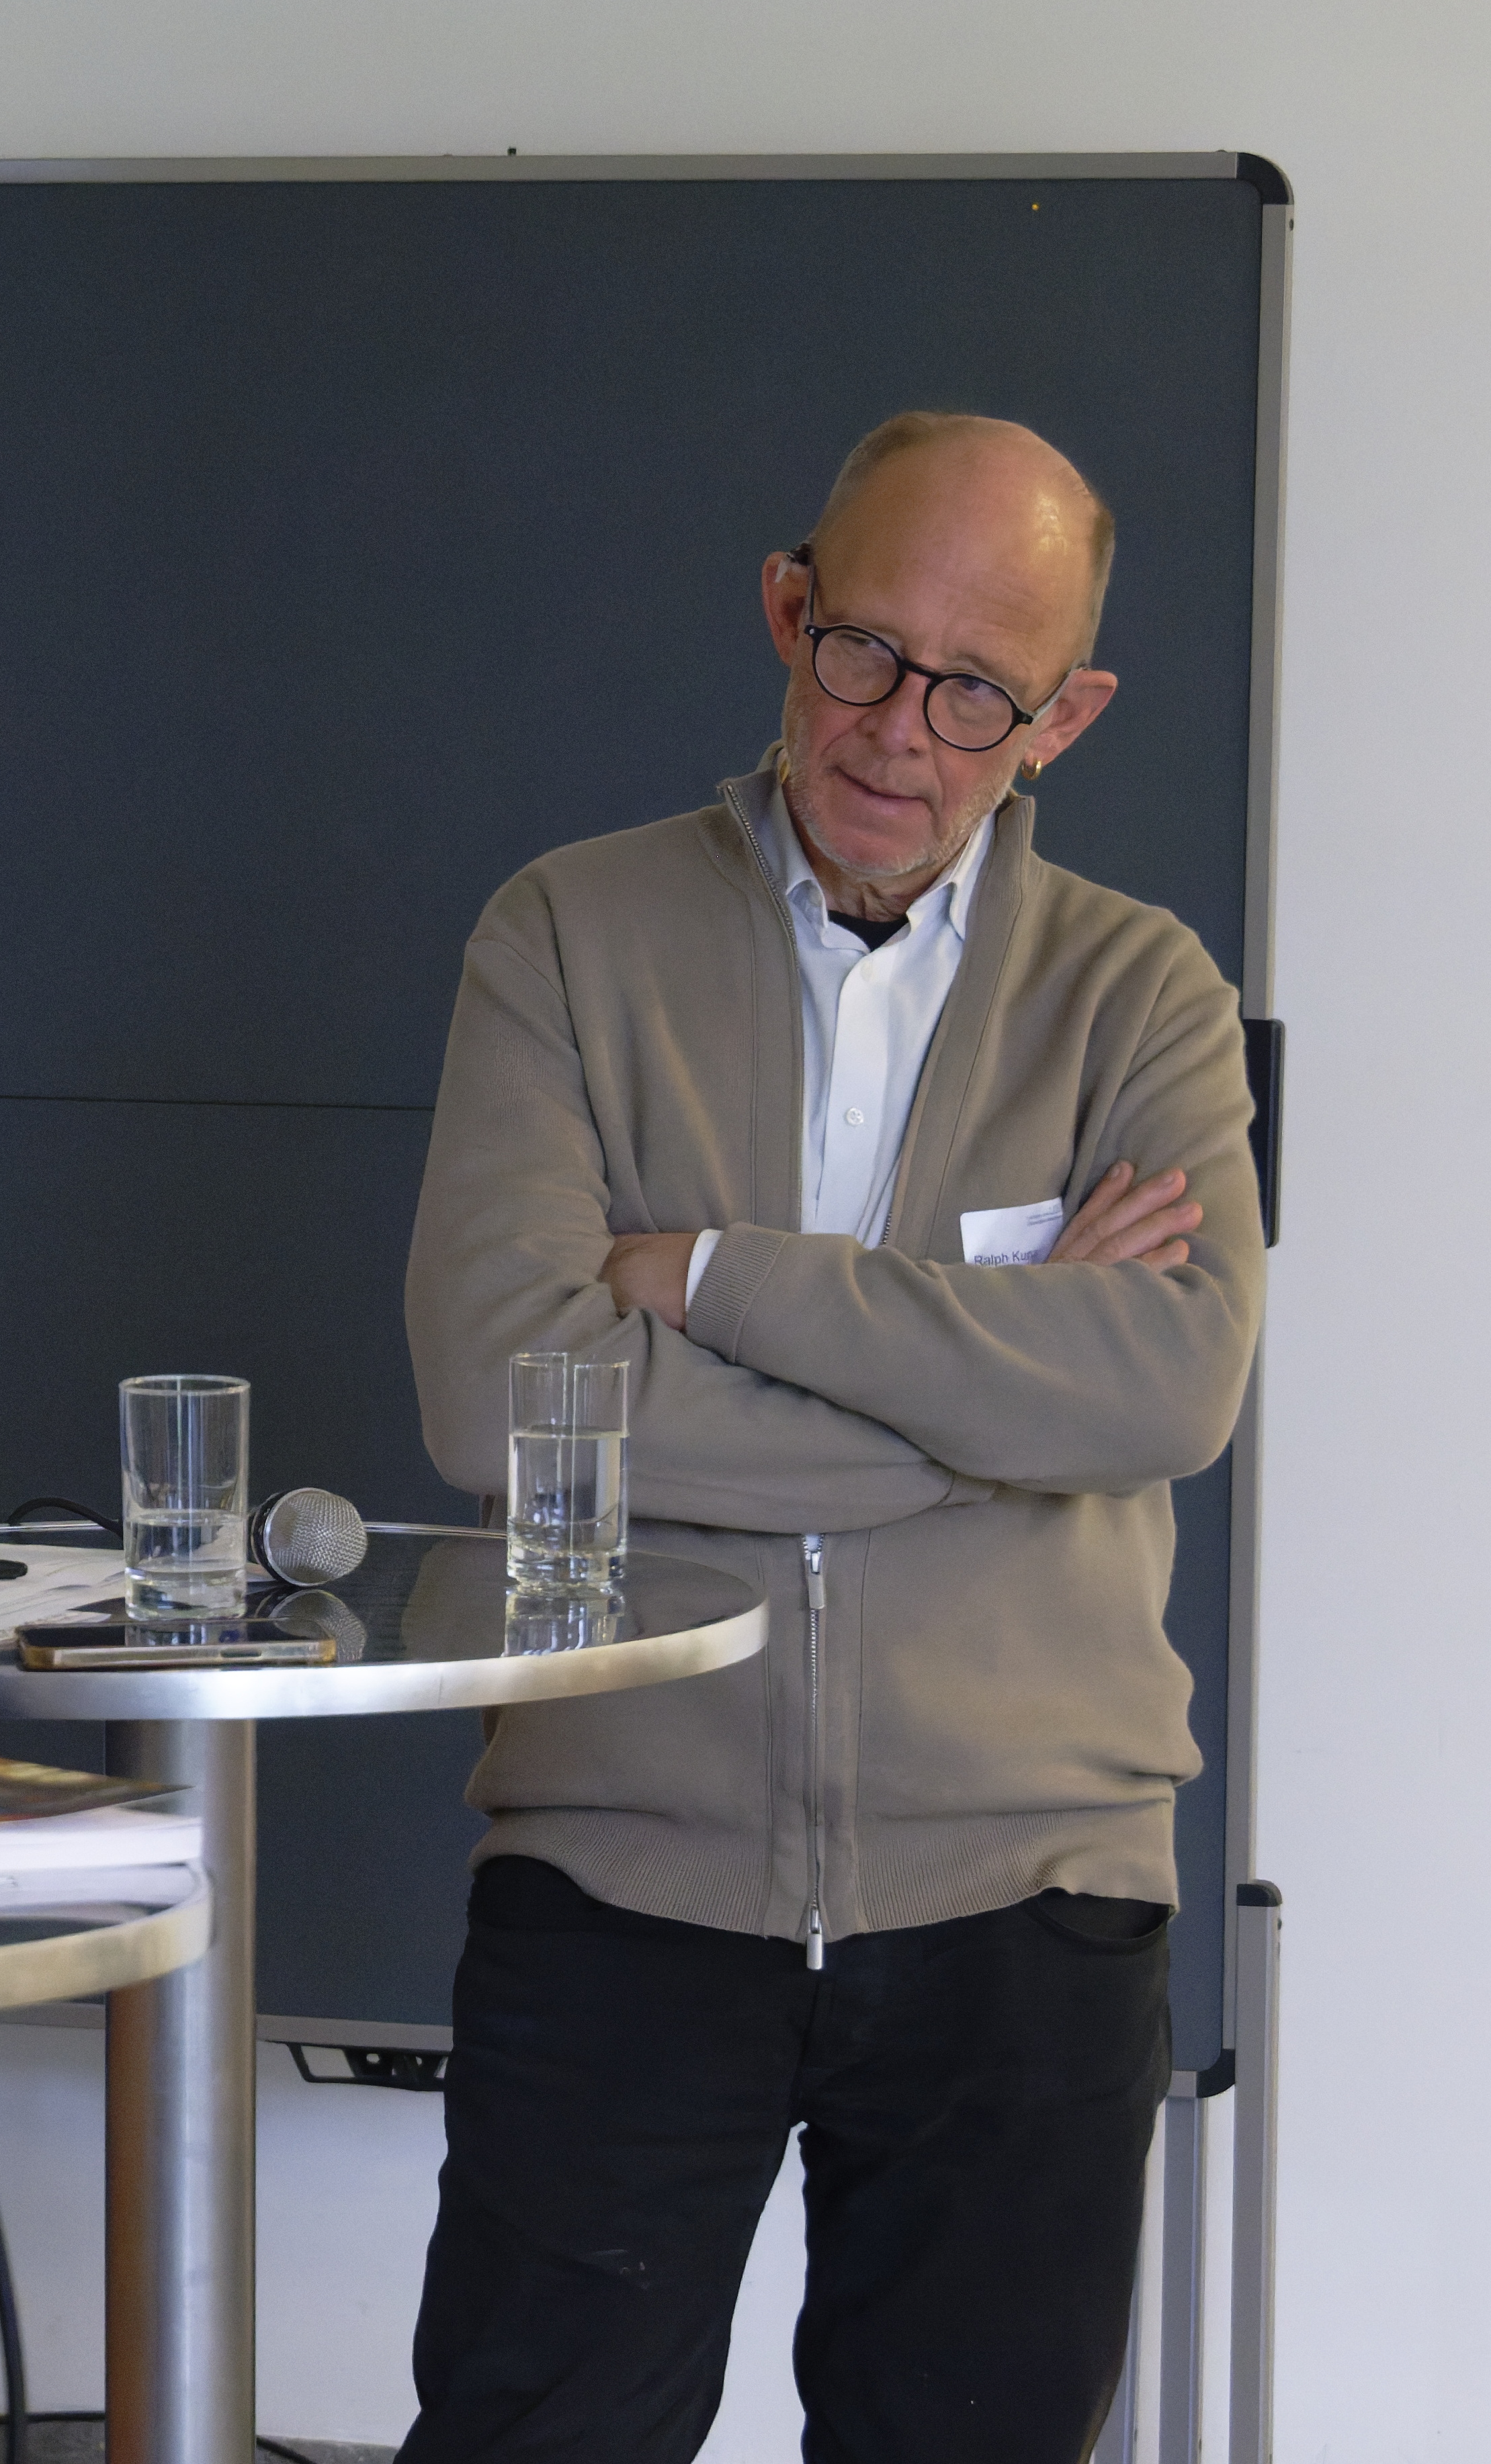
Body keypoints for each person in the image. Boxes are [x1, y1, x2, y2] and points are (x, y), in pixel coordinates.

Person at [394, 412, 1265, 2459]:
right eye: (863, 649)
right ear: (787, 607)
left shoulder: (1143, 997)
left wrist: (709, 1274)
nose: (900, 731)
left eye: (981, 692)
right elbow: (491, 1390)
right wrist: (989, 1397)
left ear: (1068, 713)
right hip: (622, 1859)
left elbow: (1168, 1389)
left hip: (1028, 1891)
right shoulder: (563, 936)